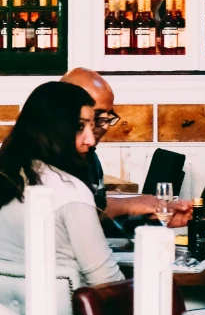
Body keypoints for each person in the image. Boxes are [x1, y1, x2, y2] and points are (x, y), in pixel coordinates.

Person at [0, 80, 121, 315]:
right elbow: (107, 284)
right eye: (80, 126)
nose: (90, 138)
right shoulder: (70, 191)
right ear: (53, 129)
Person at [62, 66, 194, 226]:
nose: (105, 126)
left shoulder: (91, 157)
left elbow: (98, 213)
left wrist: (153, 215)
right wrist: (130, 204)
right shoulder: (47, 160)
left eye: (108, 116)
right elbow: (75, 214)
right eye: (96, 116)